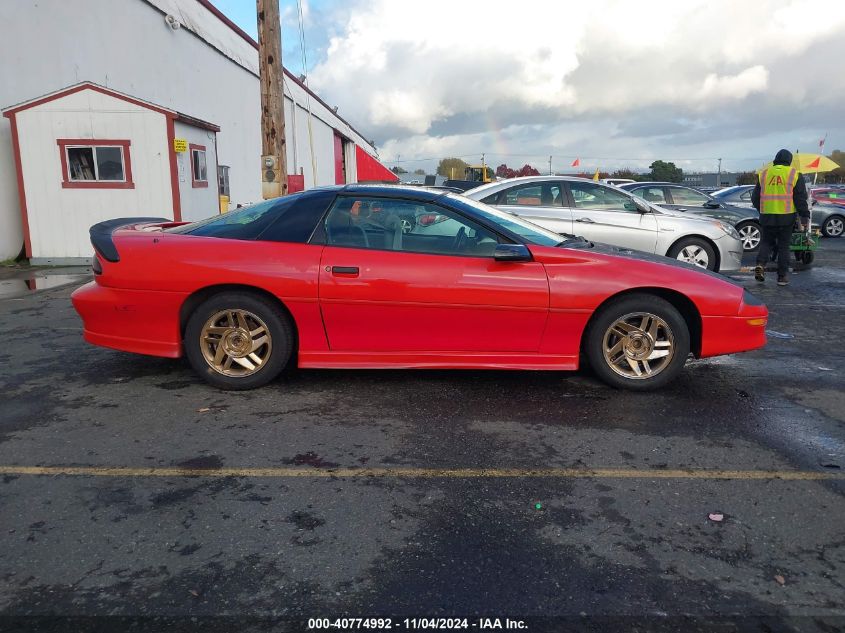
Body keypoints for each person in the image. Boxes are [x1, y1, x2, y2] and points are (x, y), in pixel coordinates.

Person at [752, 149, 810, 286]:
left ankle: (760, 265)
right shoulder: (794, 174)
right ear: (789, 160)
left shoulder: (764, 174)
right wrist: (804, 216)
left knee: (766, 243)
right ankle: (782, 276)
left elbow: (755, 197)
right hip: (786, 217)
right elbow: (800, 198)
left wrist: (762, 210)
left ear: (776, 159)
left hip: (767, 216)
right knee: (784, 247)